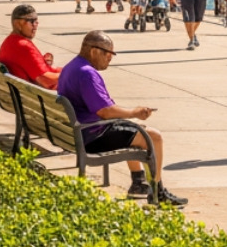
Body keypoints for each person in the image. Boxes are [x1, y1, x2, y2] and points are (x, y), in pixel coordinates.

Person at [58, 30, 187, 206]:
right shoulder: (87, 73)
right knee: (153, 136)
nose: (110, 59)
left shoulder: (71, 67)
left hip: (74, 132)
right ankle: (157, 191)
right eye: (108, 54)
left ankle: (138, 181)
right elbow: (105, 111)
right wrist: (134, 112)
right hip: (92, 136)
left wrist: (129, 117)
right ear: (94, 51)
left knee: (130, 128)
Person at [0, 3, 59, 87]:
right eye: (31, 21)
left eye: (36, 21)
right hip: (43, 97)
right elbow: (46, 80)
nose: (35, 25)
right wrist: (73, 74)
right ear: (17, 24)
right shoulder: (23, 46)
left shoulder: (8, 43)